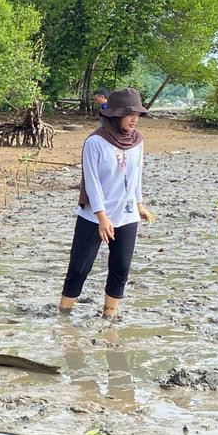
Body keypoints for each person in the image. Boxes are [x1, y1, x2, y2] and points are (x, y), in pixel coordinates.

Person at [59, 88, 154, 319]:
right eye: (129, 113)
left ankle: (109, 316)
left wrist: (139, 204)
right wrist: (102, 217)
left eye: (138, 115)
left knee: (121, 267)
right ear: (115, 114)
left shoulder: (138, 142)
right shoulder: (95, 142)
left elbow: (136, 175)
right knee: (80, 268)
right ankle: (63, 314)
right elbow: (92, 183)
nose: (134, 119)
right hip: (94, 217)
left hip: (126, 213)